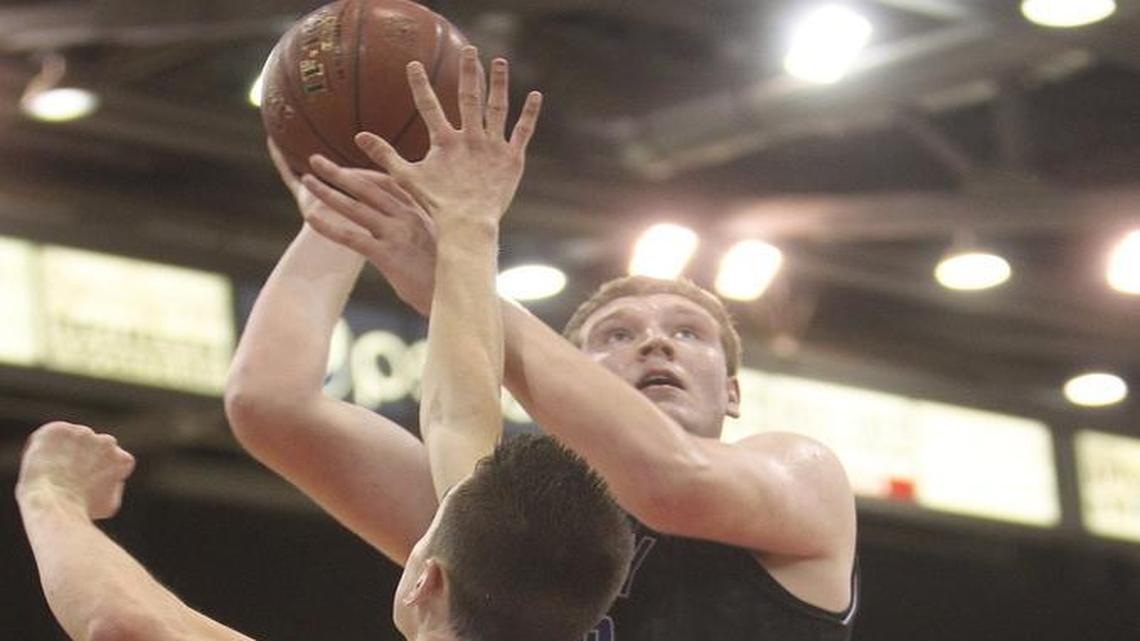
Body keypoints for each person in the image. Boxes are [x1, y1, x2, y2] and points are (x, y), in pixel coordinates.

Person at [231, 47, 860, 641]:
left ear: (732, 392)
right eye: (617, 334)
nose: (654, 345)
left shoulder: (803, 479)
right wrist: (353, 202)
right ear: (557, 391)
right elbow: (272, 404)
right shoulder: (513, 526)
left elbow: (669, 478)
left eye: (687, 332)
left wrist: (452, 271)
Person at [17, 47, 633, 641]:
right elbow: (457, 417)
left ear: (427, 581)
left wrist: (52, 493)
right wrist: (464, 223)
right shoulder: (544, 585)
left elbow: (128, 625)